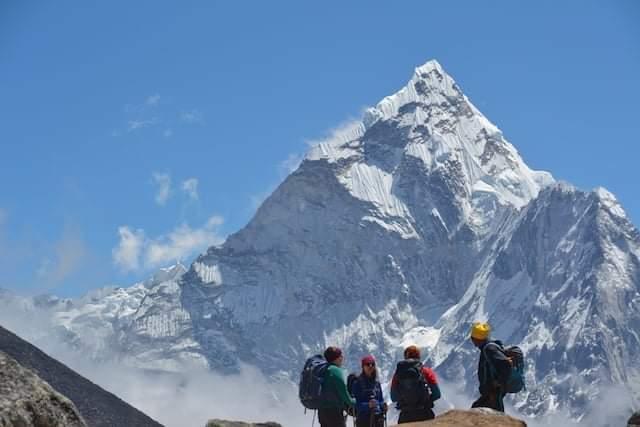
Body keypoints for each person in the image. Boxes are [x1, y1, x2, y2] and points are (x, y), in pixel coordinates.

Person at [390, 345, 441, 423]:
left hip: (405, 416)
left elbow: (393, 397)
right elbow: (437, 394)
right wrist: (426, 400)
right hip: (424, 414)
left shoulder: (397, 374)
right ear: (419, 356)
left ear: (405, 357)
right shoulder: (426, 371)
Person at [470, 322, 512, 412]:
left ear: (477, 339)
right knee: (476, 409)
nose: (471, 340)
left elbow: (506, 364)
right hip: (490, 392)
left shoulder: (489, 349)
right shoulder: (487, 348)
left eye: (472, 337)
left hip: (494, 392)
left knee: (497, 415)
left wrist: (497, 383)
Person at [318, 346, 356, 427]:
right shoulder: (336, 371)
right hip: (334, 413)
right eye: (341, 355)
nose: (342, 358)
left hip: (321, 412)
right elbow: (346, 397)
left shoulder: (324, 369)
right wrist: (357, 402)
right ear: (337, 358)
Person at [350, 355, 386, 427]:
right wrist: (368, 405)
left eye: (372, 364)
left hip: (378, 418)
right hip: (364, 419)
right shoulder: (357, 383)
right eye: (367, 364)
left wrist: (383, 406)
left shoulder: (377, 383)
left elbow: (380, 399)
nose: (370, 366)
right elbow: (355, 404)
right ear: (363, 367)